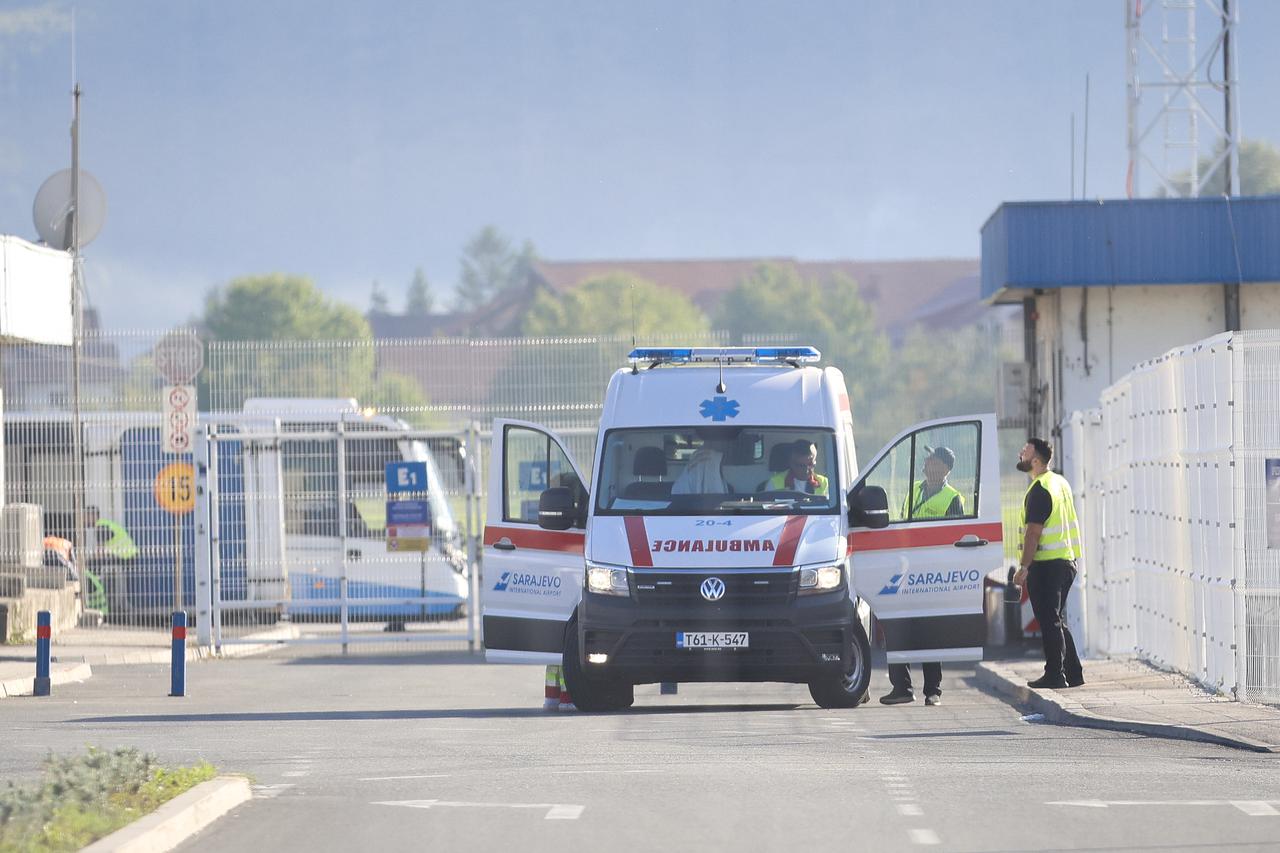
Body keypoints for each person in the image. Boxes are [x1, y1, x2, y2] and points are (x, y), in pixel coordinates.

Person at [880, 446, 964, 707]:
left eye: (932, 461)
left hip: (933, 573)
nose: (926, 464)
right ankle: (902, 687)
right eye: (927, 460)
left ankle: (933, 690)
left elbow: (955, 539)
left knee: (931, 631)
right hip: (907, 568)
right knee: (897, 626)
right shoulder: (915, 489)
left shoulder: (953, 498)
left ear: (944, 468)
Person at [1013, 438, 1085, 690]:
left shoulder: (1041, 489)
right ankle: (1073, 671)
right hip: (1066, 560)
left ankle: (1055, 673)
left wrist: (1023, 567)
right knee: (1055, 618)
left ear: (1035, 460)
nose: (1020, 452)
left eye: (1026, 450)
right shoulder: (1058, 482)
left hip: (1047, 565)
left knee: (1049, 620)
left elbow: (1033, 532)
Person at [764, 440, 828, 496]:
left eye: (810, 464)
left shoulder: (825, 483)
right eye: (801, 466)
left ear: (815, 462)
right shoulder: (774, 483)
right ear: (791, 464)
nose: (806, 470)